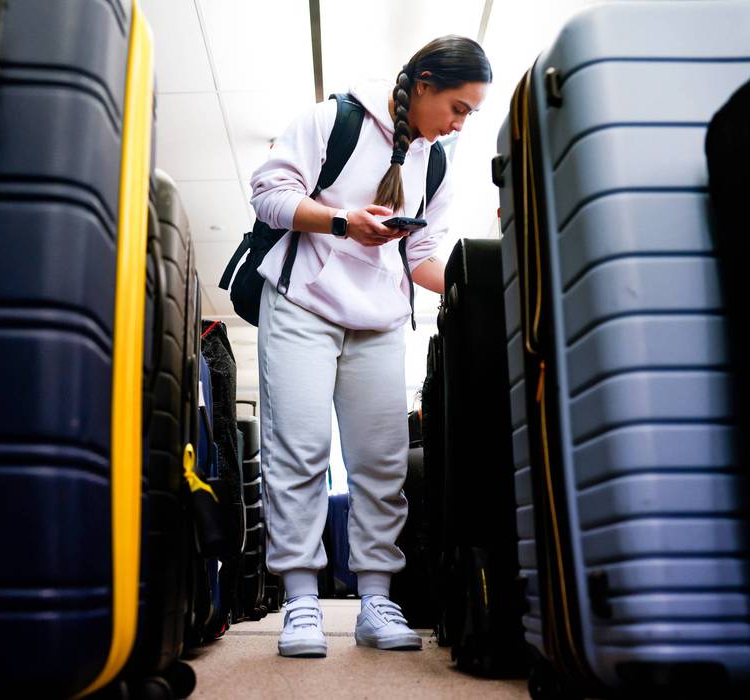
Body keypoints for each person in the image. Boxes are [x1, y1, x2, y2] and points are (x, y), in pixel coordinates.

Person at [247, 35, 492, 658]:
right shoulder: (336, 118)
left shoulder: (435, 161)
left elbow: (424, 256)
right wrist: (342, 222)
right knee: (299, 450)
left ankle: (375, 598)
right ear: (426, 82)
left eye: (470, 115)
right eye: (458, 108)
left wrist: (483, 277)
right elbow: (269, 195)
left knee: (382, 463)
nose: (459, 123)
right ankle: (300, 601)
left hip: (380, 318)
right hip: (303, 303)